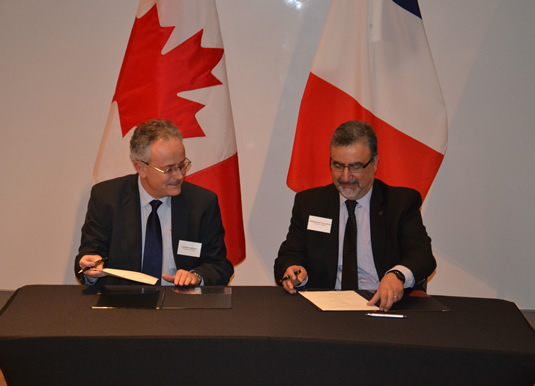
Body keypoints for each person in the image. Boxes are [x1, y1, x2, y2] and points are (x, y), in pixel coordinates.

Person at [274, 120, 436, 311]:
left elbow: (422, 256)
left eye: (355, 167)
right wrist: (293, 270)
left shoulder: (400, 203)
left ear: (375, 163)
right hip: (325, 311)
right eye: (337, 165)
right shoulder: (310, 203)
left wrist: (396, 276)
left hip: (383, 306)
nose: (345, 176)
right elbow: (289, 256)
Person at [75, 119, 234, 286]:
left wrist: (196, 276)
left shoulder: (202, 203)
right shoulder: (107, 198)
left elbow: (220, 266)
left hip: (181, 304)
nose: (179, 175)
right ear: (141, 168)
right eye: (169, 169)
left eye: (182, 165)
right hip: (123, 305)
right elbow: (88, 258)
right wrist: (90, 270)